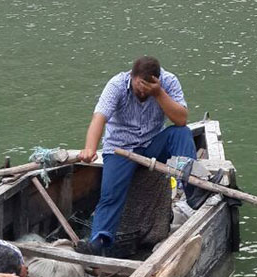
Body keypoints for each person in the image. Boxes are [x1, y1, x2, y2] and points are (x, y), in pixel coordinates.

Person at [76, 56, 218, 256]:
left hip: (152, 144)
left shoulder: (168, 82)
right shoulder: (116, 85)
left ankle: (195, 191)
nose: (143, 92)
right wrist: (89, 148)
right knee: (111, 196)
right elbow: (99, 118)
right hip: (120, 149)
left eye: (148, 88)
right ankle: (99, 240)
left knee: (181, 133)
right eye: (140, 87)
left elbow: (181, 119)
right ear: (132, 77)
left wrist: (159, 93)